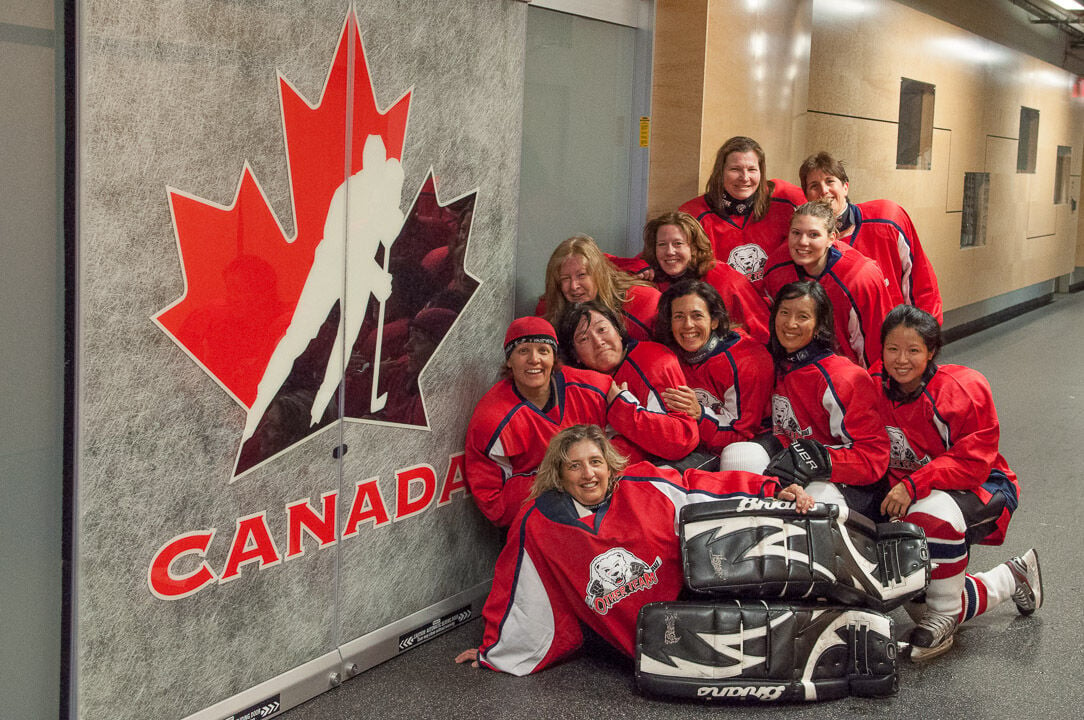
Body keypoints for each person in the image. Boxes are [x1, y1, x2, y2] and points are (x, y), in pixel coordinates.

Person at [455, 424, 813, 674]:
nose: (588, 474)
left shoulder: (643, 482)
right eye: (574, 466)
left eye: (595, 462)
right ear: (560, 475)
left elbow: (702, 488)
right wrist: (496, 649)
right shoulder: (538, 522)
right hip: (642, 640)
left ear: (610, 466)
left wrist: (769, 490)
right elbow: (517, 585)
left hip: (695, 597)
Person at [872, 305, 1041, 661]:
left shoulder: (961, 387)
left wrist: (913, 485)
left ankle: (945, 618)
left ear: (931, 351)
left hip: (983, 486)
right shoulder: (872, 385)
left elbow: (974, 462)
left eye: (913, 350)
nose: (901, 359)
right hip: (914, 493)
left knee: (928, 515)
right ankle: (1012, 577)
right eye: (892, 349)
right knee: (921, 603)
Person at [463, 317, 611, 527]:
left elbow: (626, 449)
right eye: (523, 351)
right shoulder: (491, 419)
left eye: (543, 350)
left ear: (554, 358)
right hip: (541, 518)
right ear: (509, 360)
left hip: (604, 499)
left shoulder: (594, 387)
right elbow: (495, 506)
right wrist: (563, 478)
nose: (534, 359)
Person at [767, 281, 890, 516]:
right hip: (792, 471)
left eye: (802, 316)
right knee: (741, 455)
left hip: (850, 485)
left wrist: (816, 460)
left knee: (805, 511)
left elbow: (873, 457)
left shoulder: (843, 378)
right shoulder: (774, 363)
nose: (790, 323)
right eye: (784, 313)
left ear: (818, 326)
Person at [800, 151, 943, 323]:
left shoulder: (887, 219)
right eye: (814, 186)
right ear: (807, 196)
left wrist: (922, 338)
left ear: (845, 187)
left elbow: (921, 281)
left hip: (893, 339)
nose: (824, 190)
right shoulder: (805, 243)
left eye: (830, 181)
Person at [556, 301, 697, 463]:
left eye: (602, 330)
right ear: (575, 356)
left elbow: (681, 440)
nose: (598, 341)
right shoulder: (578, 384)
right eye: (584, 339)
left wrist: (624, 409)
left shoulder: (652, 361)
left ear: (618, 332)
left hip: (674, 466)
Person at [761, 200, 895, 369]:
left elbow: (876, 346)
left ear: (831, 238)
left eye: (813, 235)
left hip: (847, 374)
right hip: (796, 370)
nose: (802, 242)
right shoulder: (777, 267)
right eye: (796, 233)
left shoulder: (860, 278)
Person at [654, 280, 774, 468]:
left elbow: (741, 434)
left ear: (714, 321)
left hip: (750, 441)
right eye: (679, 316)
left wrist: (700, 415)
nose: (688, 325)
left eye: (697, 316)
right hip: (700, 439)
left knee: (740, 457)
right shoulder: (669, 355)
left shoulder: (747, 361)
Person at [679, 136, 806, 283]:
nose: (745, 177)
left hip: (780, 301)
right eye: (735, 169)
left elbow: (824, 225)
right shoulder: (694, 214)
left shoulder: (785, 198)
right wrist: (645, 268)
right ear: (720, 172)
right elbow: (666, 254)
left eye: (752, 169)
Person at [636, 211, 771, 343]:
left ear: (694, 246)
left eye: (678, 244)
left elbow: (761, 328)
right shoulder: (651, 276)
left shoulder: (723, 277)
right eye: (662, 244)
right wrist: (634, 267)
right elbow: (615, 267)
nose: (669, 252)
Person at [536, 235, 661, 341]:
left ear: (599, 273)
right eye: (565, 278)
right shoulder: (549, 313)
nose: (574, 286)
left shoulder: (646, 302)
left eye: (582, 275)